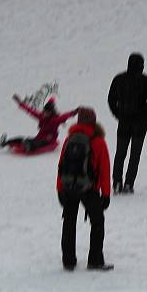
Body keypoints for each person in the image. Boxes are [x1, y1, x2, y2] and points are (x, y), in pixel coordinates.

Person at [57, 107, 112, 271]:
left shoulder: (70, 139)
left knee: (69, 222)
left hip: (68, 187)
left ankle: (68, 260)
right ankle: (95, 260)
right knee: (97, 221)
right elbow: (104, 169)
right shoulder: (98, 140)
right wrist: (106, 194)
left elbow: (61, 166)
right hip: (89, 188)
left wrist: (60, 189)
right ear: (94, 121)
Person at [108, 53, 147, 194]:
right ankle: (129, 183)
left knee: (120, 153)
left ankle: (117, 182)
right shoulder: (146, 81)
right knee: (135, 155)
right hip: (140, 124)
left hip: (123, 121)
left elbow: (111, 99)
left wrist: (118, 114)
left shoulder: (119, 79)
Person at [0, 95, 78, 151]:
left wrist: (74, 112)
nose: (45, 113)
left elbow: (65, 116)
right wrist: (20, 103)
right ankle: (6, 143)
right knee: (23, 139)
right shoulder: (41, 116)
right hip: (39, 138)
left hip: (49, 140)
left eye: (47, 112)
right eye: (44, 111)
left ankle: (29, 146)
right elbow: (30, 110)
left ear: (51, 112)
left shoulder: (55, 119)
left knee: (39, 142)